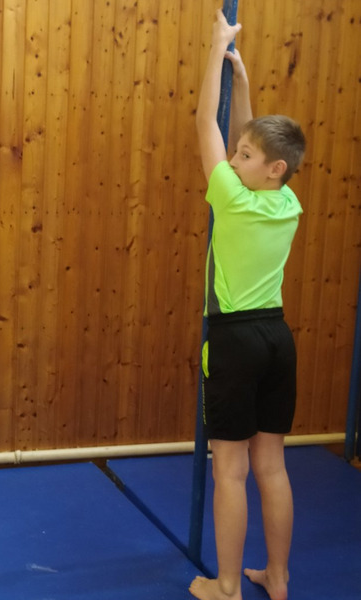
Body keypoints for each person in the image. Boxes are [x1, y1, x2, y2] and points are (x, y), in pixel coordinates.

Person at [189, 9, 306, 600]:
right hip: (277, 340)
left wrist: (216, 50)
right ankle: (277, 577)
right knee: (272, 466)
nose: (234, 160)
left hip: (234, 342)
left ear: (272, 168)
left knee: (230, 471)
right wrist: (243, 79)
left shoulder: (232, 198)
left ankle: (229, 586)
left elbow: (203, 123)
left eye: (244, 157)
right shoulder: (286, 203)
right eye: (235, 154)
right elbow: (251, 141)